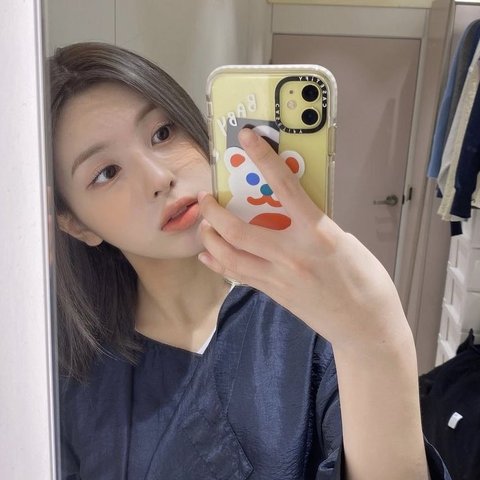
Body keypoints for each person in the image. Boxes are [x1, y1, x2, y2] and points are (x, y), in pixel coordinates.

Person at [50, 42, 450, 480]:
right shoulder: (70, 379)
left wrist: (374, 338)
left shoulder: (311, 314)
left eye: (162, 133)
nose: (159, 177)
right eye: (106, 173)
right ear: (76, 225)